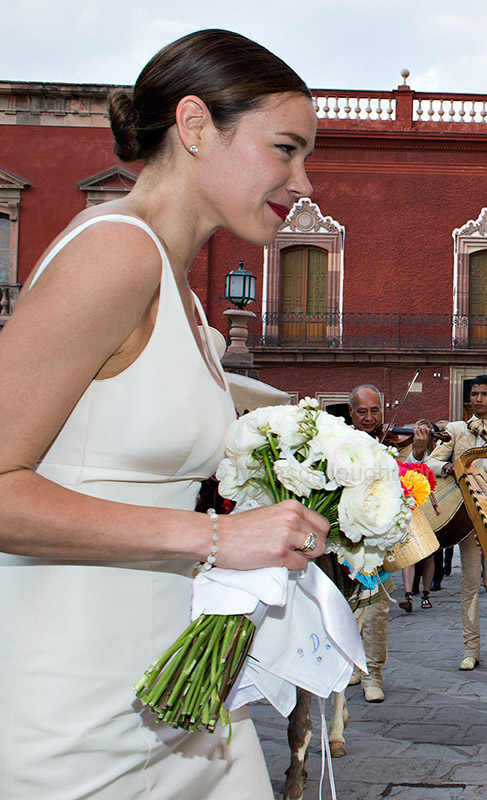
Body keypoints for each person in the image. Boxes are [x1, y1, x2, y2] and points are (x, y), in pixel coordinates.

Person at [0, 29, 331, 798]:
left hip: (177, 691)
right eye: (285, 149)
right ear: (193, 126)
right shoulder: (115, 253)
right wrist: (219, 536)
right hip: (77, 708)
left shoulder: (176, 287)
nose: (304, 181)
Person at [413, 374, 487, 670]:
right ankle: (471, 648)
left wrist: (476, 465)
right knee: (469, 582)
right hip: (462, 513)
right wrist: (447, 466)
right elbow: (428, 460)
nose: (477, 399)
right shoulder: (456, 429)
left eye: (484, 394)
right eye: (474, 394)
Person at [344, 383, 412, 700]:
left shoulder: (392, 447)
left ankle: (374, 674)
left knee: (376, 608)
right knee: (347, 607)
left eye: (375, 411)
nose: (369, 418)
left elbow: (411, 477)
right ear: (351, 414)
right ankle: (354, 666)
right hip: (344, 540)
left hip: (377, 541)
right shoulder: (338, 445)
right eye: (362, 411)